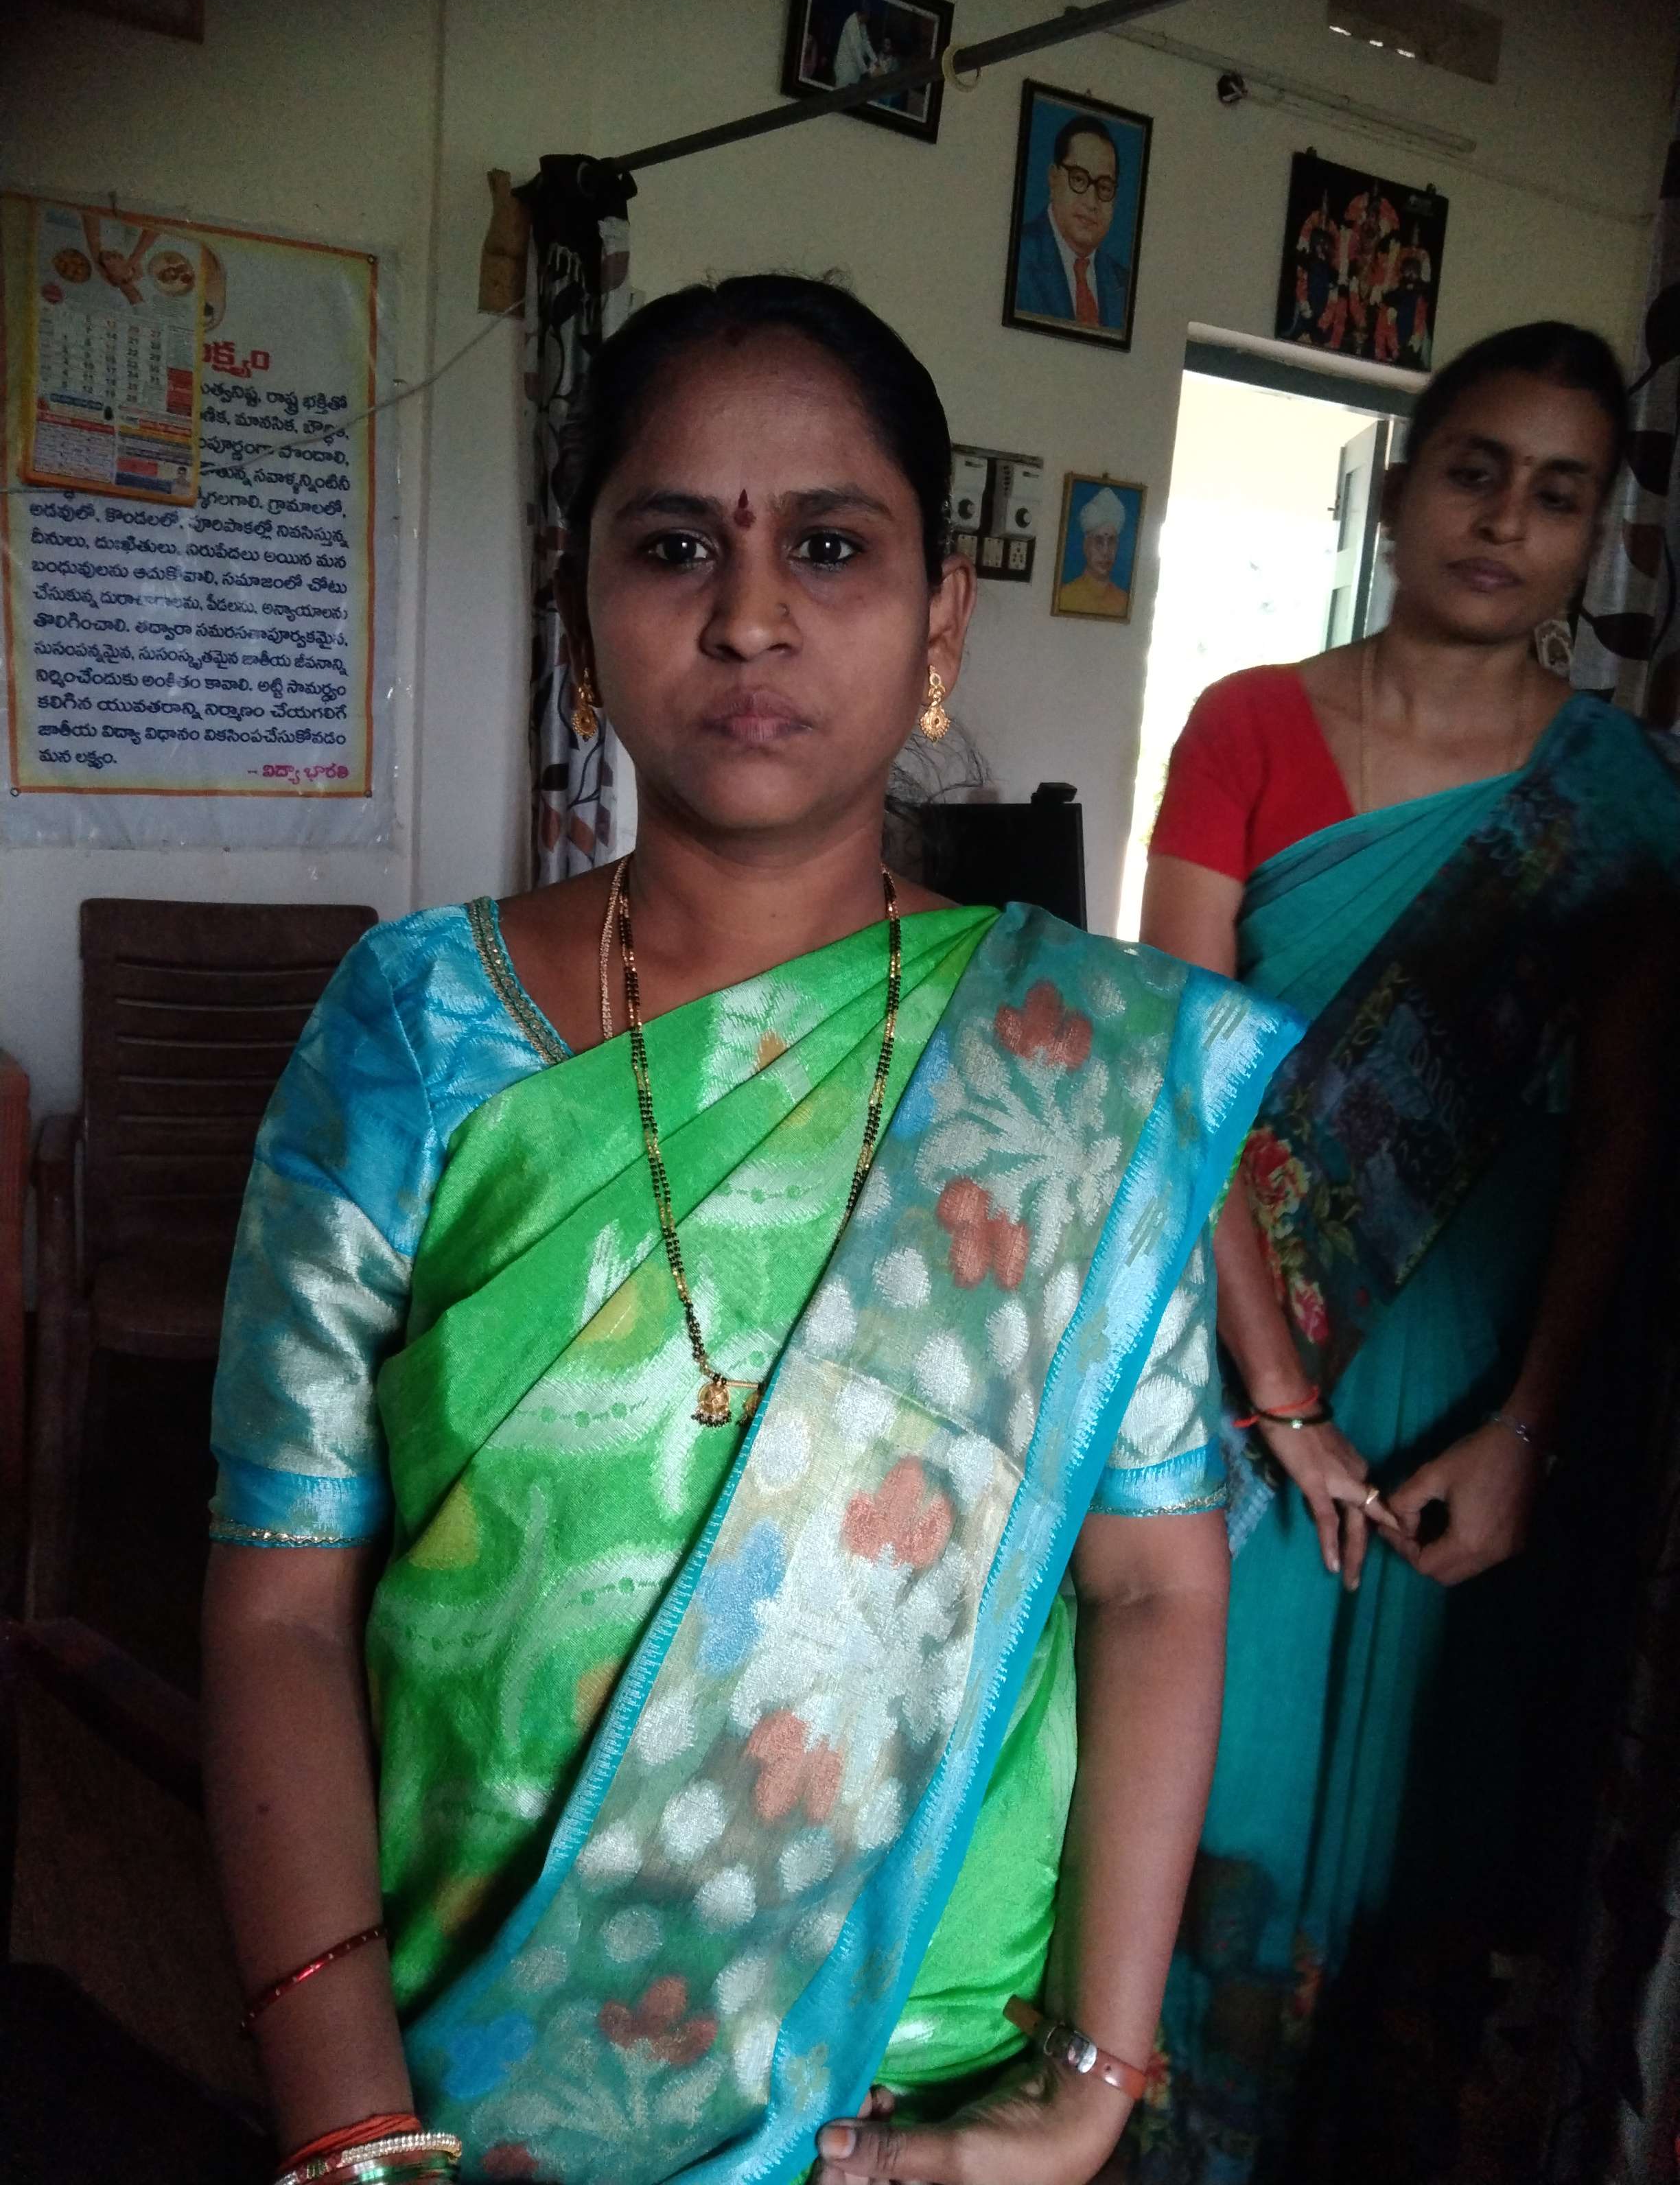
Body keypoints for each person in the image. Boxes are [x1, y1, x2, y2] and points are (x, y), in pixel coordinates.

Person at [202, 273, 1298, 2185]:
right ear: (582, 610)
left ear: (941, 617)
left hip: (921, 2084)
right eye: (675, 545)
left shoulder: (1068, 1069)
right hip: (468, 2064)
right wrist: (351, 2122)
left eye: (832, 545)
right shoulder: (417, 1035)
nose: (750, 613)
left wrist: (1086, 2096)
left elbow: (1154, 1583)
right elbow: (281, 1599)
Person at [1134, 322, 1680, 2181]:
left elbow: (1624, 1131)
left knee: (1427, 1811)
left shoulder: (1622, 802)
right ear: (1399, 486)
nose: (1504, 521)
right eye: (1473, 470)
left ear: (1593, 539)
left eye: (1558, 495)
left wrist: (1526, 1422)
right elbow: (1181, 1073)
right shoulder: (1247, 727)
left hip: (1474, 1383)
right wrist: (1279, 1396)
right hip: (1233, 1361)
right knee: (1210, 1764)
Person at [1013, 115, 1132, 334]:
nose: (1091, 202)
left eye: (1104, 187)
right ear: (1053, 178)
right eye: (1079, 179)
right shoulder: (1016, 258)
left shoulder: (1124, 285)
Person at [1058, 487, 1132, 618]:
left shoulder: (1123, 601)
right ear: (1086, 545)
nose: (1105, 551)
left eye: (1111, 542)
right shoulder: (1065, 596)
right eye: (1099, 541)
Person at [832, 1, 880, 88]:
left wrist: (875, 60)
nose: (869, 18)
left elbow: (866, 43)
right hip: (845, 67)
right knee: (841, 91)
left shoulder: (862, 24)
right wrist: (865, 71)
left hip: (855, 68)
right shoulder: (851, 25)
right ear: (863, 14)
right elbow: (856, 51)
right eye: (868, 15)